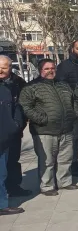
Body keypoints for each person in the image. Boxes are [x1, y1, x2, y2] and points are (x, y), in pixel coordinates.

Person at [19, 59, 78, 196]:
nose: (51, 71)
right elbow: (25, 106)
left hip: (66, 128)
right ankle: (47, 185)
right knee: (47, 160)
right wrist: (41, 119)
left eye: (53, 68)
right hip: (45, 130)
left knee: (65, 158)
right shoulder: (32, 87)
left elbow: (73, 101)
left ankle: (64, 181)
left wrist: (74, 114)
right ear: (40, 71)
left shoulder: (63, 84)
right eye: (47, 69)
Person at [56, 40, 78, 176]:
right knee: (74, 139)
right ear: (73, 50)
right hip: (73, 110)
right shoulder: (64, 66)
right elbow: (61, 87)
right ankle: (74, 164)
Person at [0, 56, 29, 197]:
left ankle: (14, 187)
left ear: (10, 68)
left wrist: (20, 123)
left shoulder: (18, 82)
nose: (0, 70)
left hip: (15, 131)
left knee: (13, 160)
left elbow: (25, 102)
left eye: (4, 67)